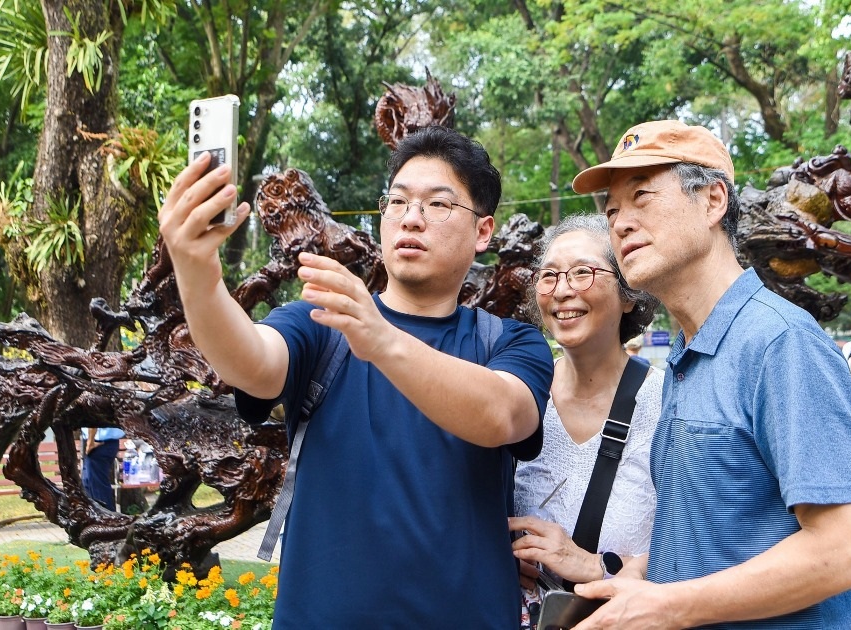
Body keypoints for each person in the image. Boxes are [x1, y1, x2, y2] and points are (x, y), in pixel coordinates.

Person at [158, 126, 554, 628]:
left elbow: (502, 414)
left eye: (438, 205)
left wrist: (383, 341)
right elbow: (249, 361)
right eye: (398, 201)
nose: (412, 217)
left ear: (483, 232)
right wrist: (197, 274)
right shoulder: (323, 324)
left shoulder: (510, 343)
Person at [569, 120, 851, 629]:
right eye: (613, 211)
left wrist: (667, 607)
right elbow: (711, 531)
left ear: (713, 202)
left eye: (641, 197)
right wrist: (641, 580)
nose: (620, 224)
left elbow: (845, 552)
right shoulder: (684, 357)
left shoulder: (780, 343)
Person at [508, 215, 662, 628]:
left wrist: (593, 565)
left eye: (582, 273)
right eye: (550, 275)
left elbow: (699, 540)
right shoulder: (521, 395)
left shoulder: (667, 404)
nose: (562, 291)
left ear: (629, 294)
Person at [82, 426, 124, 511]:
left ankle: (109, 521)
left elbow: (92, 419)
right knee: (88, 484)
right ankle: (99, 520)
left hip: (98, 443)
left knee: (98, 490)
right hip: (108, 442)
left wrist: (90, 441)